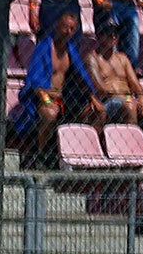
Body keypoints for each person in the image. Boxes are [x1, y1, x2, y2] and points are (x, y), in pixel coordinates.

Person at [11, 9, 95, 163]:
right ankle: (40, 154)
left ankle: (80, 153)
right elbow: (35, 82)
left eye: (71, 29)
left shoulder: (71, 51)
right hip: (43, 98)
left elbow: (82, 77)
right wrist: (47, 100)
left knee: (96, 112)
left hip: (64, 98)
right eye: (65, 27)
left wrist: (93, 98)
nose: (68, 32)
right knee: (50, 113)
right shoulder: (44, 48)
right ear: (57, 26)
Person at [84, 16, 143, 124]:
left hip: (128, 99)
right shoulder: (92, 58)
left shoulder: (122, 58)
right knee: (130, 106)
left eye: (116, 33)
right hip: (109, 101)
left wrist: (142, 99)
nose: (113, 36)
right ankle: (133, 140)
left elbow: (135, 83)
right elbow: (101, 89)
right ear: (99, 36)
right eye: (109, 33)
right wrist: (128, 98)